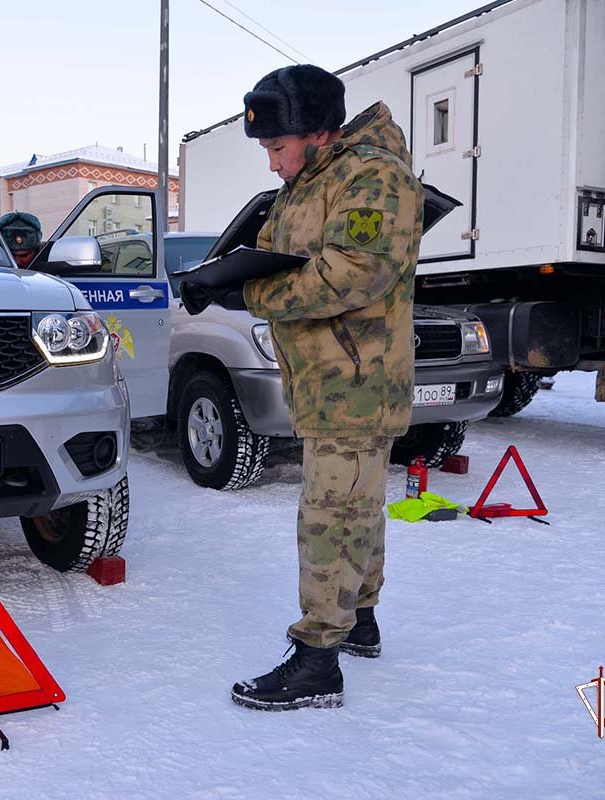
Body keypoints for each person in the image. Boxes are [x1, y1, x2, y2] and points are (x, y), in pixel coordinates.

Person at [228, 65, 424, 711]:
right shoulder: (311, 182)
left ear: (317, 135)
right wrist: (228, 270)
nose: (272, 165)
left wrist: (252, 291)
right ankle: (358, 620)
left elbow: (354, 272)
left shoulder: (372, 175)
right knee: (357, 509)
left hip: (355, 381)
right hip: (328, 379)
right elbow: (278, 251)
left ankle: (318, 660)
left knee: (330, 517)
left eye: (276, 149)